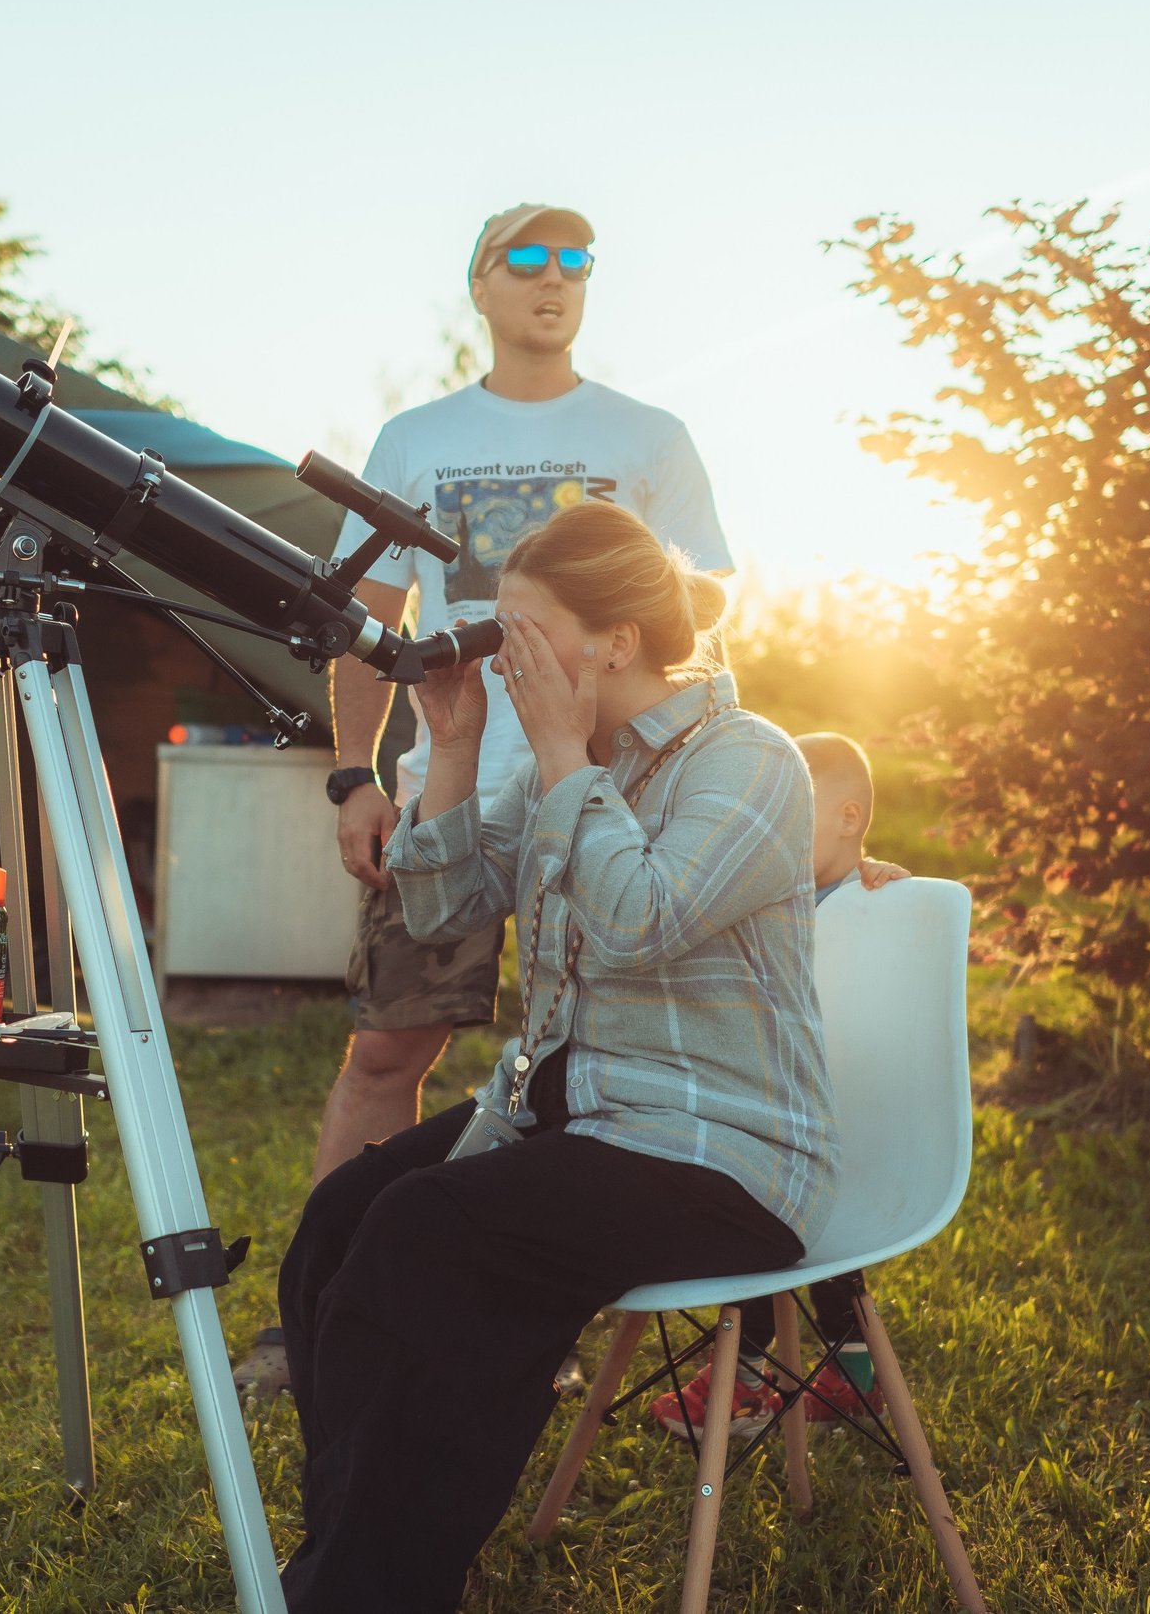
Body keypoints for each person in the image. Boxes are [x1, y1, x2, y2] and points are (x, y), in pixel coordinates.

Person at [276, 503, 834, 1612]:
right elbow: (433, 911)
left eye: (521, 631)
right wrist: (456, 743)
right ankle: (349, 1547)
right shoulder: (556, 767)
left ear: (615, 643)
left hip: (719, 1153)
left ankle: (364, 1584)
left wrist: (559, 758)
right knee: (342, 1218)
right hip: (575, 1120)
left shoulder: (749, 762)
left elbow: (637, 920)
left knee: (427, 1233)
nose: (505, 652)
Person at [238, 200, 734, 1398]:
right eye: (527, 258)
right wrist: (357, 777)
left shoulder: (649, 433)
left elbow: (704, 614)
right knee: (385, 1047)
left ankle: (533, 1315)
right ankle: (324, 1316)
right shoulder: (416, 436)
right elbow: (366, 623)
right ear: (481, 286)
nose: (555, 278)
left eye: (577, 260)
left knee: (593, 1064)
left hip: (607, 797)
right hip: (451, 793)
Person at [647, 729, 909, 1439]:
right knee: (777, 1210)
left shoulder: (866, 898)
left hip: (835, 1113)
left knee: (765, 1203)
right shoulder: (773, 889)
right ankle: (840, 1378)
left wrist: (870, 887)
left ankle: (748, 1372)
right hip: (777, 1106)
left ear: (849, 818)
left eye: (795, 815)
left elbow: (887, 988)